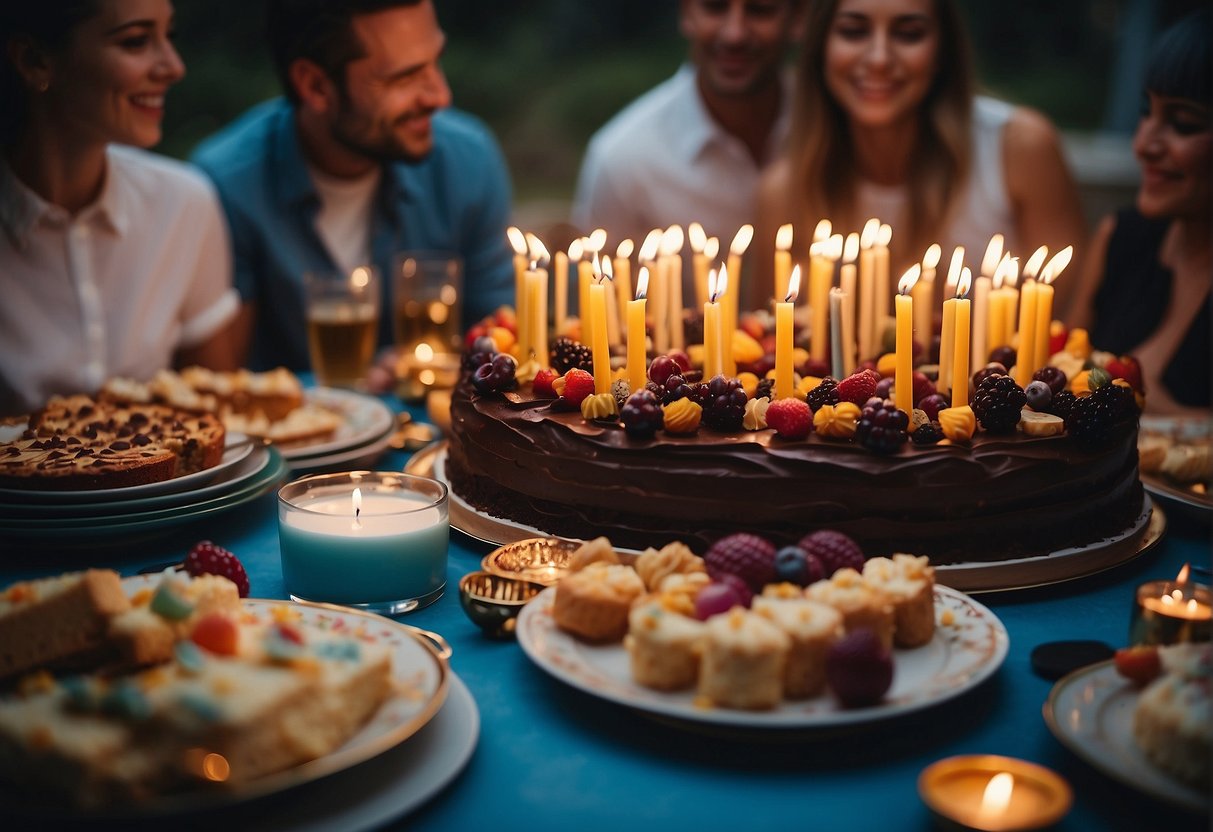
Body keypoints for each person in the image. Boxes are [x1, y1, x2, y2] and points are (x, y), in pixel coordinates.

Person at [191, 0, 515, 373]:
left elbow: (504, 346)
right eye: (404, 77)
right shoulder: (226, 188)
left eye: (434, 61)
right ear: (315, 85)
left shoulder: (467, 161)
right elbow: (224, 388)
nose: (440, 96)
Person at [753, 0, 1088, 314]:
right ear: (820, 47)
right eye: (854, 31)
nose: (879, 58)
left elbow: (1072, 318)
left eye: (908, 34)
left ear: (943, 49)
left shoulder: (1021, 150)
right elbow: (772, 340)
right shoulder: (784, 191)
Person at [0, 1, 240, 417]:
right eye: (136, 41)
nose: (174, 67)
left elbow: (217, 417)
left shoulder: (184, 203)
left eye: (170, 37)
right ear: (35, 61)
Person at [571, 0, 805, 264]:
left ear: (798, 17)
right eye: (715, 8)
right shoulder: (622, 159)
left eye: (760, 10)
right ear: (686, 12)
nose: (734, 34)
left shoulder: (837, 128)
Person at [1069, 10, 1209, 415]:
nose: (1144, 144)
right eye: (1147, 111)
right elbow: (1056, 370)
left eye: (1183, 123)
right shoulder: (1122, 238)